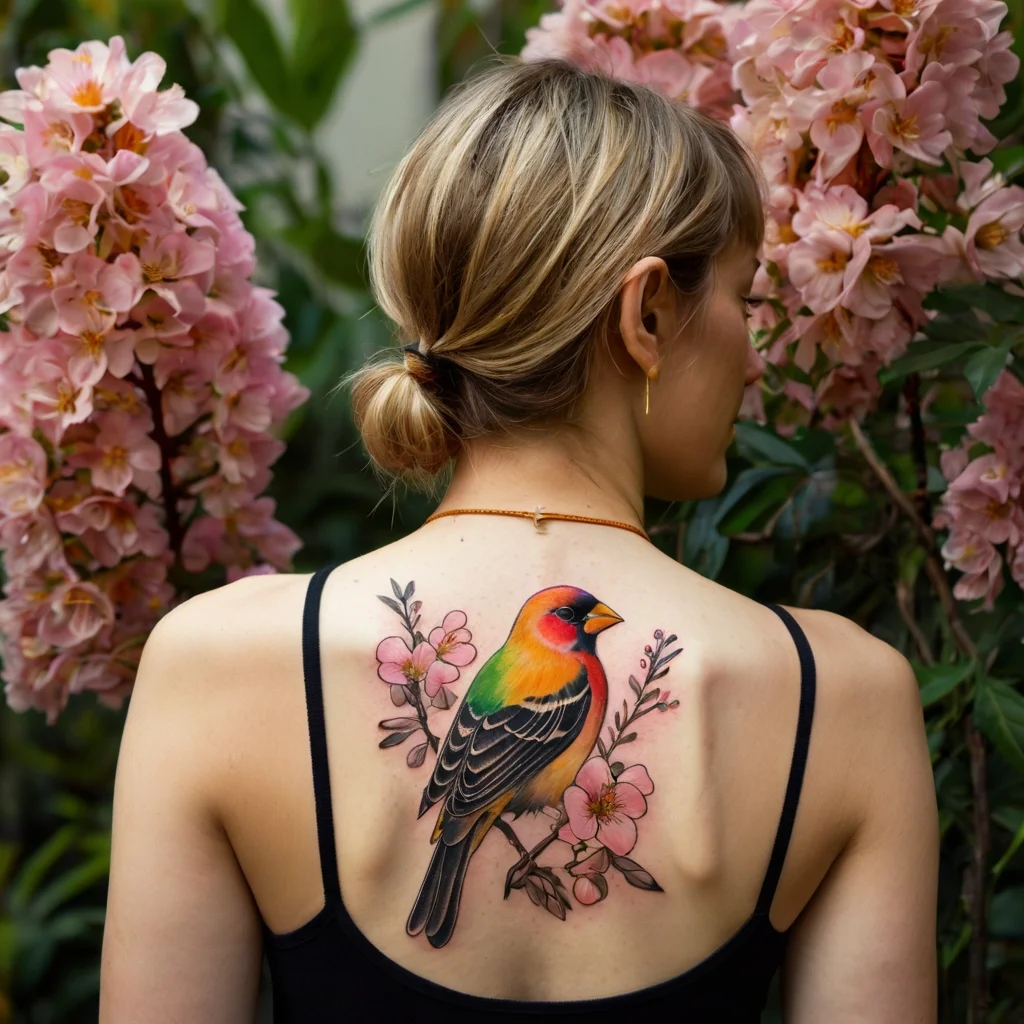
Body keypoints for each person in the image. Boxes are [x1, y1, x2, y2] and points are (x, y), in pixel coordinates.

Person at [99, 56, 938, 1023]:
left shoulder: (217, 666)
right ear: (651, 312)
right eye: (745, 301)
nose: (753, 351)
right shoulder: (845, 700)